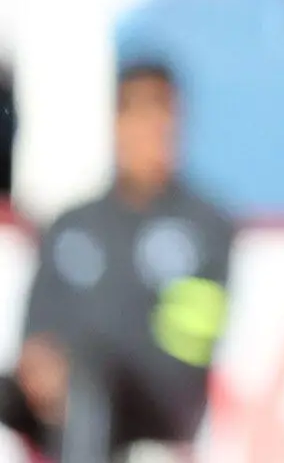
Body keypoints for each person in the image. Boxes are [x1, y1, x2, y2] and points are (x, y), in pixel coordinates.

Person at [3, 61, 233, 462]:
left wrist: (80, 360)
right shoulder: (72, 223)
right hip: (60, 390)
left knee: (88, 378)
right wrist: (42, 365)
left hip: (157, 400)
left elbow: (188, 352)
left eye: (161, 112)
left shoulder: (206, 229)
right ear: (116, 122)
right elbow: (35, 328)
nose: (150, 129)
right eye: (137, 112)